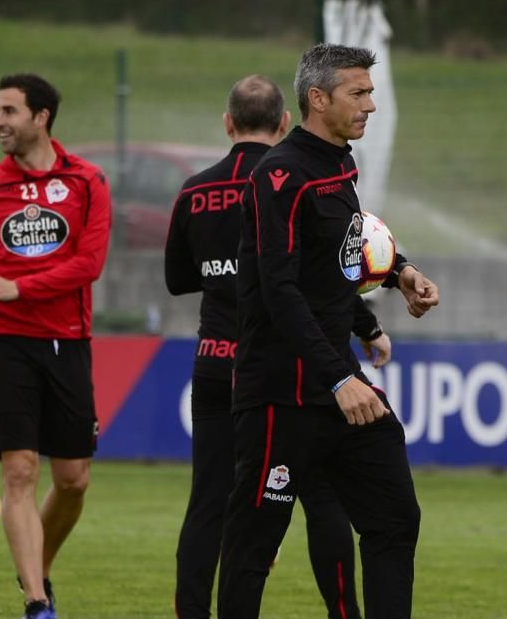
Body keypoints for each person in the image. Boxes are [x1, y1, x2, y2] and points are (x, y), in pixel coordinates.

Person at [216, 44, 439, 618]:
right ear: (318, 99)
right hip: (279, 394)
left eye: (370, 91)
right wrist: (342, 377)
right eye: (358, 93)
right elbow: (278, 289)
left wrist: (402, 272)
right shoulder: (279, 175)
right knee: (253, 545)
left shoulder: (340, 163)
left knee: (394, 518)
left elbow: (350, 244)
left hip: (336, 387)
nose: (371, 104)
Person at [165, 75, 393, 618]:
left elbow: (178, 279)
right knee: (322, 501)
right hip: (282, 370)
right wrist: (364, 325)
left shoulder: (196, 189)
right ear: (286, 122)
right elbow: (314, 276)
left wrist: (225, 274)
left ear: (228, 124)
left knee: (211, 504)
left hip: (217, 361)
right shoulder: (294, 180)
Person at [0, 73, 111, 619]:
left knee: (73, 480)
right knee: (19, 471)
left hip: (68, 342)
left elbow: (88, 265)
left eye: (9, 111)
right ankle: (38, 604)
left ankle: (36, 567)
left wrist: (19, 286)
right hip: (3, 343)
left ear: (41, 117)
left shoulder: (88, 182)